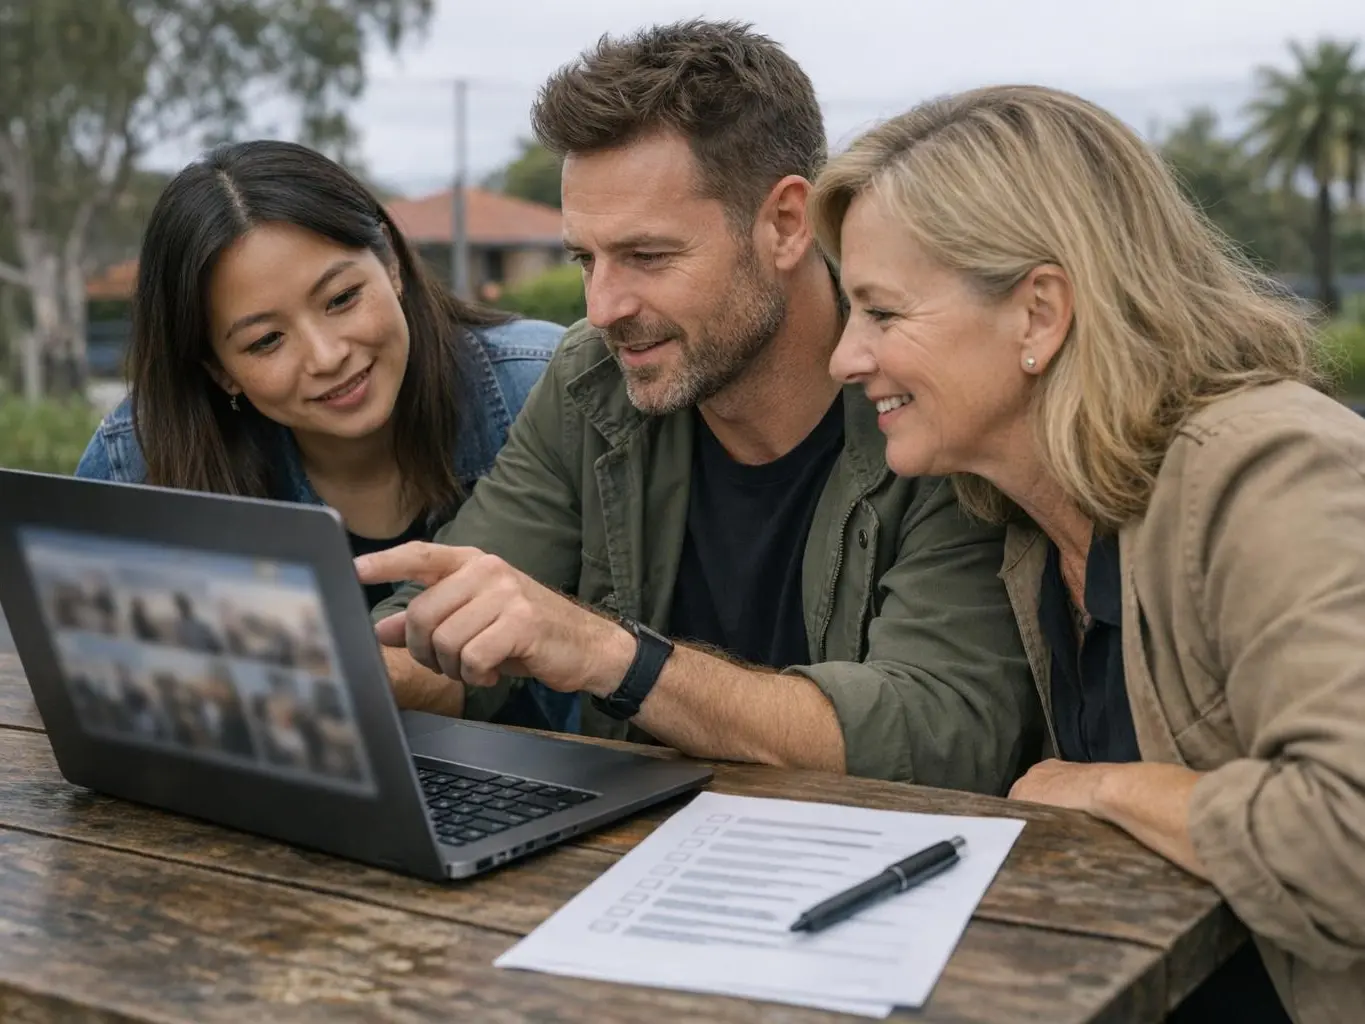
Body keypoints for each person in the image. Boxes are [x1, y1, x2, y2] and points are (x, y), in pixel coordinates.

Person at [355, 20, 1040, 792]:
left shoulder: (929, 394)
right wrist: (293, 673)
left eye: (648, 257)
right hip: (628, 862)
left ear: (785, 223)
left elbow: (943, 731)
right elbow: (437, 641)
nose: (605, 306)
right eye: (585, 258)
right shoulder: (594, 377)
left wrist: (612, 656)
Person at [813, 83, 1365, 1023]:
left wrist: (1098, 787)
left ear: (1038, 314)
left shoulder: (1268, 469)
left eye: (882, 313)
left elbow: (1346, 840)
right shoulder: (1030, 518)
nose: (843, 358)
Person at [74, 139, 564, 726]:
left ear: (391, 263)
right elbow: (89, 684)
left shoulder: (543, 387)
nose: (328, 356)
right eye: (266, 341)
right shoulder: (136, 459)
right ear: (220, 371)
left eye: (341, 298)